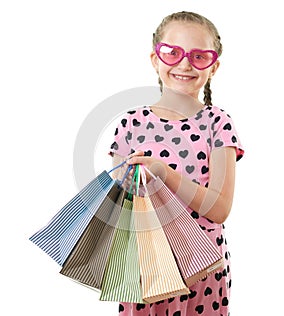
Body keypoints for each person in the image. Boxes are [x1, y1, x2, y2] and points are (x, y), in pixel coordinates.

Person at [109, 11, 244, 316]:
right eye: (172, 53)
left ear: (214, 66)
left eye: (199, 56)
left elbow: (220, 209)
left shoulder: (217, 123)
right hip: (146, 267)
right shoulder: (131, 123)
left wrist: (163, 173)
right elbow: (120, 207)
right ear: (155, 60)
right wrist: (131, 183)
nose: (184, 64)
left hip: (203, 267)